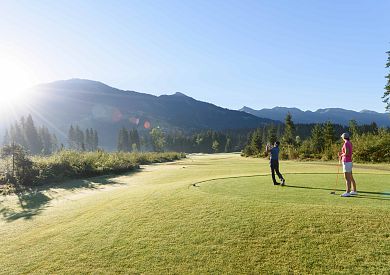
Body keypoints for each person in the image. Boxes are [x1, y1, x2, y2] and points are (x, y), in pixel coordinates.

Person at [339, 132, 357, 197]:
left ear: (343, 137)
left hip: (346, 162)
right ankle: (354, 190)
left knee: (347, 178)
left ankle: (348, 192)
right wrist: (342, 153)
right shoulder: (349, 142)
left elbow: (347, 153)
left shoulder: (346, 143)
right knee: (351, 177)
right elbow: (347, 152)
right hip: (349, 161)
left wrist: (341, 154)